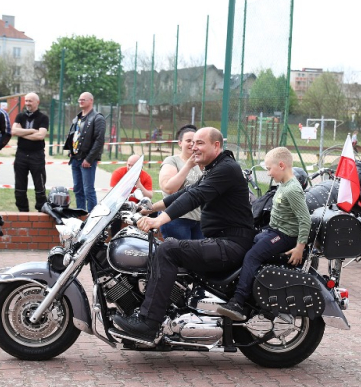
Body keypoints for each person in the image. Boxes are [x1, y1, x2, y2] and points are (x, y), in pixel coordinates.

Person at [112, 127, 254, 342]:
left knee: (168, 248)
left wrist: (158, 220)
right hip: (221, 240)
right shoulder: (214, 167)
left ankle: (148, 323)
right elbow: (184, 193)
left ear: (216, 145)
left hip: (230, 244)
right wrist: (147, 209)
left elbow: (195, 196)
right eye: (193, 142)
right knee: (163, 249)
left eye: (200, 143)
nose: (194, 147)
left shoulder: (226, 169)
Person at [216, 147, 311, 321]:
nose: (268, 174)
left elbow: (305, 220)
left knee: (252, 256)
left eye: (269, 169)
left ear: (281, 165)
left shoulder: (292, 189)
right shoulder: (284, 185)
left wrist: (299, 247)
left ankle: (238, 301)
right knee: (247, 244)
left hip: (284, 236)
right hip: (273, 231)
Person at [158, 124, 203, 240]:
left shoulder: (202, 163)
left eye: (196, 141)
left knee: (198, 256)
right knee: (181, 256)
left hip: (199, 219)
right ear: (180, 143)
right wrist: (188, 165)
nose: (192, 144)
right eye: (188, 141)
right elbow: (168, 188)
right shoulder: (172, 161)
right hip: (176, 219)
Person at [64, 92, 105, 212]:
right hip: (75, 158)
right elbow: (73, 136)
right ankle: (80, 214)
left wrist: (89, 159)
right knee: (77, 189)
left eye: (83, 100)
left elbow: (99, 140)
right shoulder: (77, 118)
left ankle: (92, 217)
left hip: (87, 160)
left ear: (91, 101)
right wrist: (71, 151)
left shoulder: (98, 118)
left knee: (88, 190)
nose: (80, 101)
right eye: (79, 100)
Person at [11, 92, 50, 212]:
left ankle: (41, 211)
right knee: (19, 187)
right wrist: (32, 131)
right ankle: (23, 212)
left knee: (40, 187)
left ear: (37, 102)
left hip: (36, 156)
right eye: (26, 101)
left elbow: (40, 136)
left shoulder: (43, 118)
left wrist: (22, 133)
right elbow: (13, 131)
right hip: (21, 155)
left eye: (30, 101)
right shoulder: (20, 116)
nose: (27, 103)